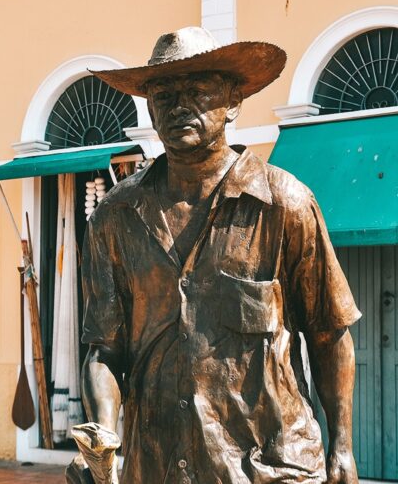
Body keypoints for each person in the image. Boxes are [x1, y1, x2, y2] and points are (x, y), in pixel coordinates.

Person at [70, 27, 361, 484]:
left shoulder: (285, 203)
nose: (179, 106)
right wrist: (101, 436)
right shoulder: (114, 216)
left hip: (272, 465)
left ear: (233, 103)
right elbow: (104, 349)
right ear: (149, 109)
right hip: (159, 465)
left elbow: (329, 334)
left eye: (198, 91)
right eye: (163, 96)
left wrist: (342, 446)